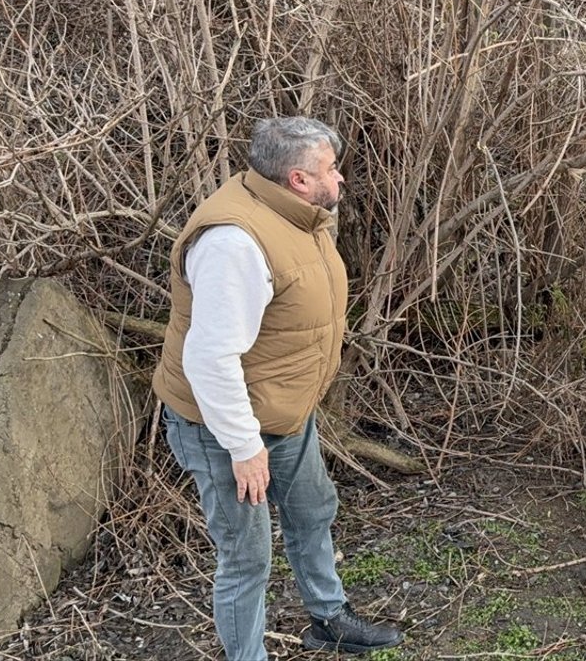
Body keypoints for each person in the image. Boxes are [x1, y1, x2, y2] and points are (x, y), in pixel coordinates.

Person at [152, 117, 401, 659]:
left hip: (284, 411)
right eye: (331, 171)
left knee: (313, 509)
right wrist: (244, 448)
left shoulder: (297, 216)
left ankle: (328, 618)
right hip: (224, 427)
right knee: (247, 557)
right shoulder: (234, 245)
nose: (341, 181)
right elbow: (210, 358)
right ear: (298, 179)